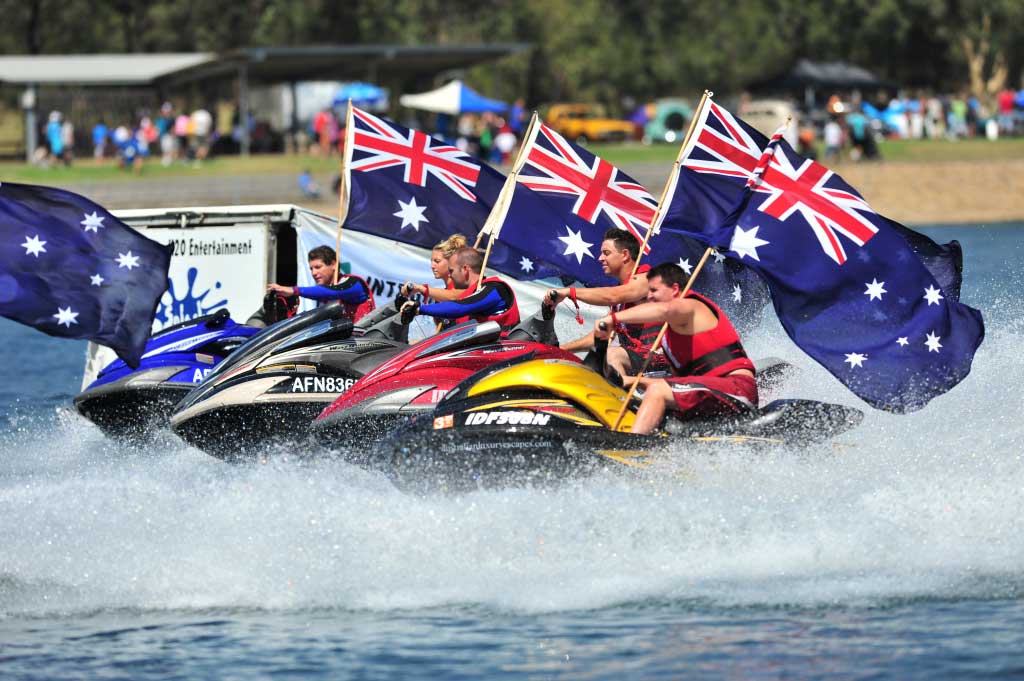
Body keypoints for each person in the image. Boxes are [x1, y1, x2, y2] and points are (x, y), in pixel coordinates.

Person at [594, 263, 757, 435]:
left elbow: (666, 309)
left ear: (674, 289)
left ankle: (630, 449)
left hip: (737, 389)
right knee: (642, 399)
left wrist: (613, 319)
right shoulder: (668, 339)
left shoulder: (691, 305)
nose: (648, 296)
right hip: (708, 394)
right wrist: (629, 381)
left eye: (654, 290)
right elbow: (682, 383)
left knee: (658, 391)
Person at [545, 228, 664, 377]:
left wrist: (570, 292)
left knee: (610, 355)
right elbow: (599, 335)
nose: (600, 258)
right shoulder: (621, 297)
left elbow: (613, 296)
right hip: (639, 362)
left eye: (606, 253)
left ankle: (618, 398)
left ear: (625, 255)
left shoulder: (647, 279)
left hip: (662, 361)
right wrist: (561, 349)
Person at [400, 246, 519, 331]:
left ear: (465, 269)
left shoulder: (496, 288)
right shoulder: (470, 292)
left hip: (504, 356)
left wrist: (419, 309)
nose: (450, 275)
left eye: (451, 271)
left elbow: (459, 307)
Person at [267, 245, 375, 322]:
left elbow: (332, 292)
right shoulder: (324, 296)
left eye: (318, 267)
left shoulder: (354, 283)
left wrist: (293, 290)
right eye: (311, 269)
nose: (314, 273)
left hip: (363, 348)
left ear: (333, 264)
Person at [401, 233, 468, 304]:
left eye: (437, 261)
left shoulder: (464, 286)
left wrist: (421, 288)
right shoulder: (441, 296)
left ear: (451, 261)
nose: (432, 266)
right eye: (432, 261)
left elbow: (454, 297)